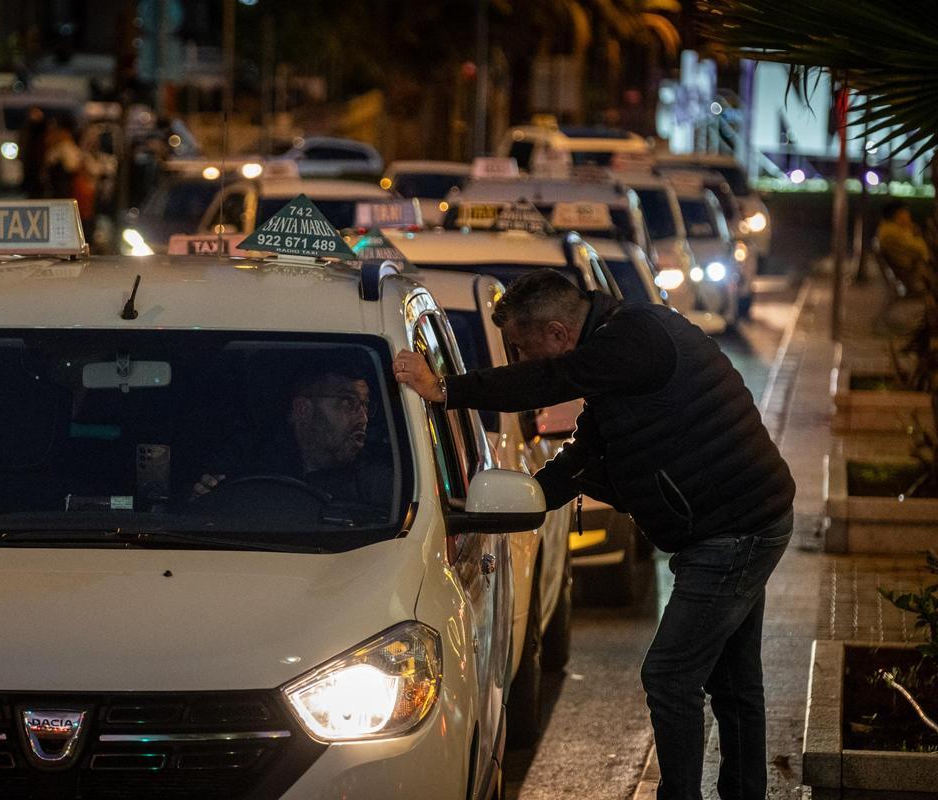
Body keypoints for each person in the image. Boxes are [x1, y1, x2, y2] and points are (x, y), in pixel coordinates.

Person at [392, 269, 795, 800]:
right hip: (741, 520)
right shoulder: (620, 344)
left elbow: (546, 382)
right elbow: (589, 452)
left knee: (670, 676)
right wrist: (531, 498)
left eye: (520, 346)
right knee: (733, 682)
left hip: (735, 532)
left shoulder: (632, 338)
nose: (519, 360)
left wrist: (446, 390)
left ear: (559, 334)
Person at [193, 365, 391, 507]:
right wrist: (202, 500)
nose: (363, 418)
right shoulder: (246, 465)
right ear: (303, 409)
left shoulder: (379, 485)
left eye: (365, 405)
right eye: (347, 402)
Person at [876, 200, 935, 295]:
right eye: (905, 212)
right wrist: (914, 232)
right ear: (897, 215)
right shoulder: (892, 232)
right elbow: (921, 250)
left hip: (911, 271)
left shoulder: (888, 229)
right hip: (912, 274)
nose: (909, 215)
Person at [19, 106, 48, 199]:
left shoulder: (44, 130)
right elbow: (23, 144)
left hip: (40, 163)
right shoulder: (27, 129)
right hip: (30, 163)